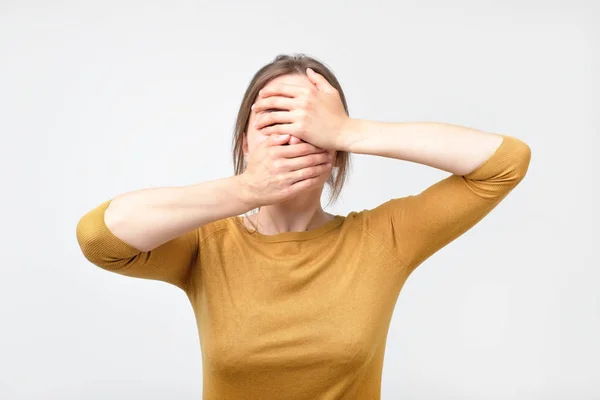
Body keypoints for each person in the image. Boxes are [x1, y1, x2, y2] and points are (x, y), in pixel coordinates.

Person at [76, 53, 531, 399]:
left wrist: (351, 131)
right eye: (274, 120)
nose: (291, 136)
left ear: (334, 151)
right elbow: (99, 237)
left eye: (310, 122)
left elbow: (505, 163)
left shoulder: (381, 240)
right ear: (245, 144)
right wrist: (248, 190)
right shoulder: (206, 245)